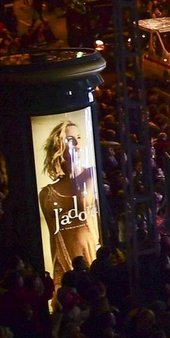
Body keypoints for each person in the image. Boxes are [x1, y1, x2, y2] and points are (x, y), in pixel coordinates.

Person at [37, 117, 101, 285]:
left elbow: (102, 219)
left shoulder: (91, 177)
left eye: (79, 138)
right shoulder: (47, 194)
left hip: (93, 255)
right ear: (59, 146)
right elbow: (54, 237)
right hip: (66, 262)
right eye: (71, 140)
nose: (78, 145)